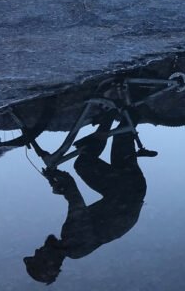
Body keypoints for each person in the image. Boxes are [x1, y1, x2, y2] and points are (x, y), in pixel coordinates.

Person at [23, 115, 147, 284]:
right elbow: (76, 202)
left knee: (123, 132)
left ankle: (128, 100)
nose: (37, 250)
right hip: (125, 191)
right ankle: (107, 115)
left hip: (129, 191)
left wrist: (63, 187)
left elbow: (76, 204)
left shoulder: (74, 247)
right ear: (47, 260)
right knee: (84, 164)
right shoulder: (72, 243)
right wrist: (61, 177)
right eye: (38, 255)